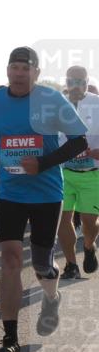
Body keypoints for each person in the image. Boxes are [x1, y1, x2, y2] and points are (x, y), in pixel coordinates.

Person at [0, 47, 89, 352]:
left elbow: (79, 140)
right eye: (14, 66)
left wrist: (44, 162)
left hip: (47, 193)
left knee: (41, 263)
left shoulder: (52, 100)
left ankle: (51, 296)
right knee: (10, 260)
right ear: (7, 71)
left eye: (26, 67)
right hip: (10, 193)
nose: (20, 72)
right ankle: (10, 340)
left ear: (36, 73)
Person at [56, 66, 99, 278]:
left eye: (81, 81)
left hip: (93, 173)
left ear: (87, 81)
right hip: (63, 173)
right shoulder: (56, 105)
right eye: (72, 81)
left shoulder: (97, 104)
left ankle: (89, 246)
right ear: (66, 81)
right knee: (63, 218)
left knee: (91, 222)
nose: (76, 86)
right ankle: (71, 264)